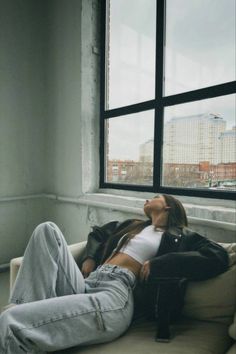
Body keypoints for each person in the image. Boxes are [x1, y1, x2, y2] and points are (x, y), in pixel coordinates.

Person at [0, 194, 229, 353]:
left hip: (114, 295)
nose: (148, 199)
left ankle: (24, 322)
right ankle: (28, 312)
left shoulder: (181, 236)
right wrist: (90, 257)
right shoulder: (133, 225)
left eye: (156, 196)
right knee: (46, 230)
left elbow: (218, 256)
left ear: (168, 206)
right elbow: (99, 234)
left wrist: (162, 263)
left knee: (10, 322)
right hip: (88, 282)